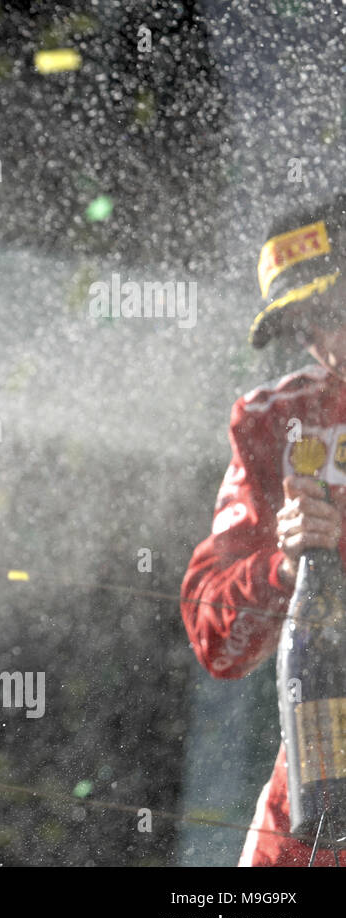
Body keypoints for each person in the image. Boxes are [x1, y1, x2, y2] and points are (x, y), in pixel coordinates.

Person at [181, 191, 346, 866]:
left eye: (332, 309)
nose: (320, 341)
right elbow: (215, 644)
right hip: (323, 769)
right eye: (302, 324)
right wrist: (283, 566)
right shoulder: (277, 420)